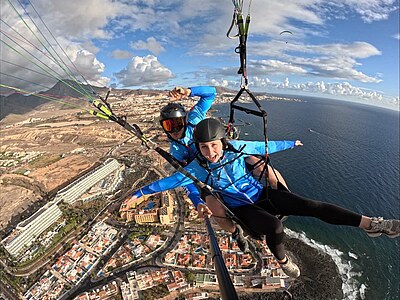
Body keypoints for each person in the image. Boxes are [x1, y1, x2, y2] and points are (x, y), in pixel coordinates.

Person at [122, 118, 400, 278]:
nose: (210, 152)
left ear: (223, 143)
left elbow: (267, 146)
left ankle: (372, 225)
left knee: (310, 205)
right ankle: (281, 260)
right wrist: (138, 194)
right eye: (204, 148)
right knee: (275, 227)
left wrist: (291, 143)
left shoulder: (238, 150)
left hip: (262, 196)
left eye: (214, 146)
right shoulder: (196, 170)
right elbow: (167, 182)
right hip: (242, 209)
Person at [121, 86, 302, 253]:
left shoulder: (194, 120)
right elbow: (186, 179)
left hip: (226, 156)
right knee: (217, 209)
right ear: (164, 127)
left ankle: (285, 197)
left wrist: (188, 91)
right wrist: (195, 201)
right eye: (169, 126)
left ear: (185, 121)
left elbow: (210, 94)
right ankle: (236, 233)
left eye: (177, 124)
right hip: (209, 171)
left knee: (261, 166)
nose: (175, 130)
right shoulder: (177, 152)